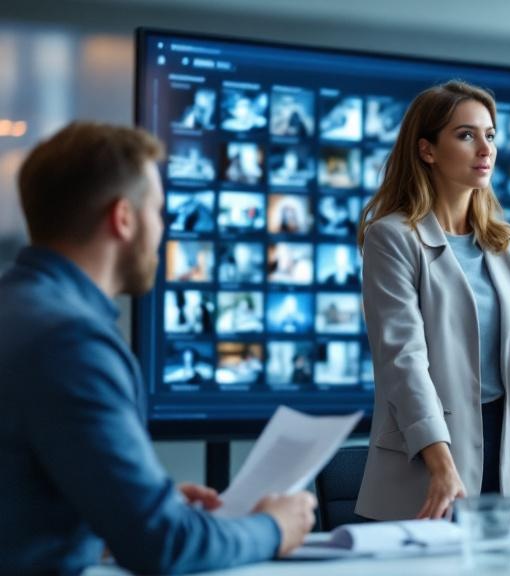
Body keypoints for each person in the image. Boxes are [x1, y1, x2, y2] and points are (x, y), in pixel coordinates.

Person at [0, 122, 317, 574]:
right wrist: (273, 527)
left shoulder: (18, 309)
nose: (165, 229)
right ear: (123, 218)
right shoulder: (70, 341)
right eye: (160, 211)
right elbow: (161, 545)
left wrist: (144, 501)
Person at [355, 81, 510, 521]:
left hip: (508, 449)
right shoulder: (392, 238)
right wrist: (442, 466)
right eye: (466, 135)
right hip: (430, 451)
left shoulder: (506, 244)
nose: (485, 148)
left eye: (490, 135)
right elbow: (401, 362)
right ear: (427, 150)